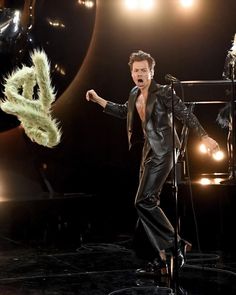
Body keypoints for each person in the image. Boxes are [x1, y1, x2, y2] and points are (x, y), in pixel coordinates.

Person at [86, 50, 219, 276]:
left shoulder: (164, 92)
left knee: (143, 201)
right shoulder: (132, 94)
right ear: (131, 73)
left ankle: (175, 245)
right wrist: (99, 100)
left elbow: (185, 114)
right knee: (147, 202)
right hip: (149, 151)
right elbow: (123, 112)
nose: (140, 74)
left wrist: (204, 136)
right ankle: (162, 257)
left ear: (152, 72)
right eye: (136, 70)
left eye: (144, 70)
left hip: (166, 149)